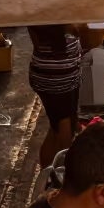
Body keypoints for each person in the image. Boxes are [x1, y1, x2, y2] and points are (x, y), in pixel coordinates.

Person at [27, 25, 83, 167]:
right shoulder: (60, 18)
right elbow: (80, 30)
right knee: (64, 132)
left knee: (57, 127)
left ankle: (47, 174)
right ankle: (63, 176)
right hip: (58, 80)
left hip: (59, 77)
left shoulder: (39, 15)